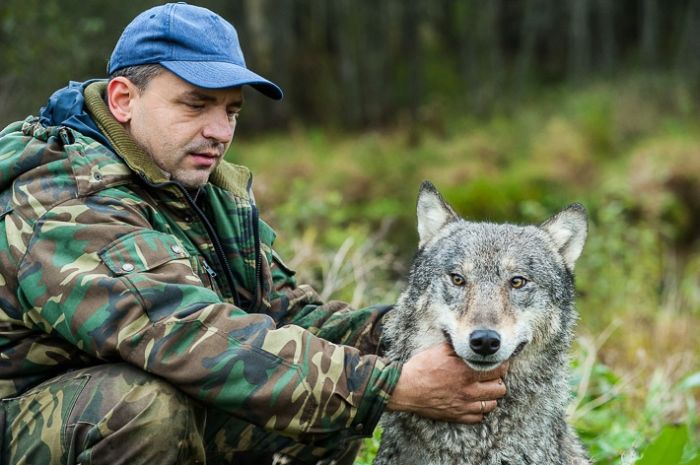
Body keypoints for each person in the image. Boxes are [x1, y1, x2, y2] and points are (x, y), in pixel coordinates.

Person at [0, 3, 507, 464]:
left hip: (132, 385)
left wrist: (414, 330)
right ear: (123, 99)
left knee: (317, 404)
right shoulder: (64, 202)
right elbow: (187, 334)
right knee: (137, 408)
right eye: (195, 106)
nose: (220, 131)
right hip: (27, 414)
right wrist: (388, 384)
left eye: (231, 111)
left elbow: (285, 315)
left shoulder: (198, 190)